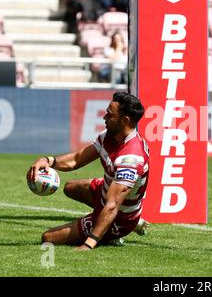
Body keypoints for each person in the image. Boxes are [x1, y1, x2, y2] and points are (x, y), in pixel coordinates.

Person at [26, 91, 150, 250]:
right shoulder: (111, 136)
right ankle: (132, 222)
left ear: (125, 120)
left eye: (109, 115)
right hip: (106, 193)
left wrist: (89, 244)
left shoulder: (131, 160)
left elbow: (112, 205)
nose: (104, 117)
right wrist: (48, 160)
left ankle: (114, 233)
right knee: (70, 187)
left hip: (120, 216)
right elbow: (77, 159)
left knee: (48, 237)